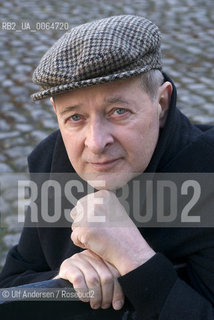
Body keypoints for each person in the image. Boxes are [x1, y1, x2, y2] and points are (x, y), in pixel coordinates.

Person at [0, 15, 214, 320]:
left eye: (118, 111)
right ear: (56, 113)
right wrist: (60, 278)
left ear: (162, 104)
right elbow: (11, 284)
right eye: (75, 117)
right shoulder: (49, 163)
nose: (96, 142)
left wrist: (136, 260)